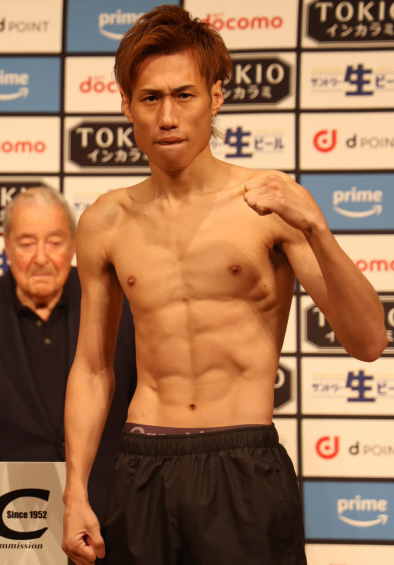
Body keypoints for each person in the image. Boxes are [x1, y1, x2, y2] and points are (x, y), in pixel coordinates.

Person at [61, 5, 388, 565]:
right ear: (126, 106)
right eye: (150, 98)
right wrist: (75, 493)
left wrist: (317, 227)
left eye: (184, 95)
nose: (168, 116)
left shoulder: (269, 203)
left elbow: (369, 341)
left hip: (243, 463)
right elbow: (92, 368)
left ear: (216, 97)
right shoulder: (105, 221)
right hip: (142, 461)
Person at [0, 186, 136, 521]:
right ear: (6, 246)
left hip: (112, 511)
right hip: (8, 516)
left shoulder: (118, 306)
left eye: (54, 242)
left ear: (74, 244)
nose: (41, 258)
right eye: (26, 243)